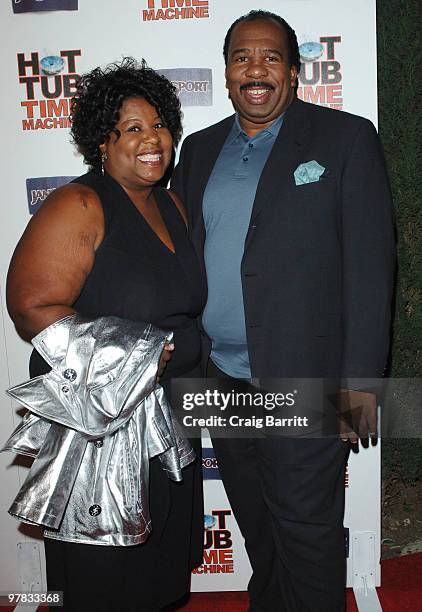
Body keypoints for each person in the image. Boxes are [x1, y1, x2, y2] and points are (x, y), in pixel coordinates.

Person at [171, 10, 395, 612]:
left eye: (271, 57)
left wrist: (361, 387)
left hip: (309, 378)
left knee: (309, 534)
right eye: (243, 57)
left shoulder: (346, 139)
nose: (256, 69)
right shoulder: (199, 149)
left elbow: (372, 272)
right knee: (259, 528)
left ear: (295, 74)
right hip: (222, 379)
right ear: (225, 73)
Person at [7, 58, 206, 612]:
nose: (152, 140)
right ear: (102, 141)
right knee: (105, 573)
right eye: (133, 129)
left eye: (160, 125)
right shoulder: (80, 204)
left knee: (159, 568)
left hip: (168, 418)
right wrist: (131, 358)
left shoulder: (171, 204)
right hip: (103, 431)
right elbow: (31, 306)